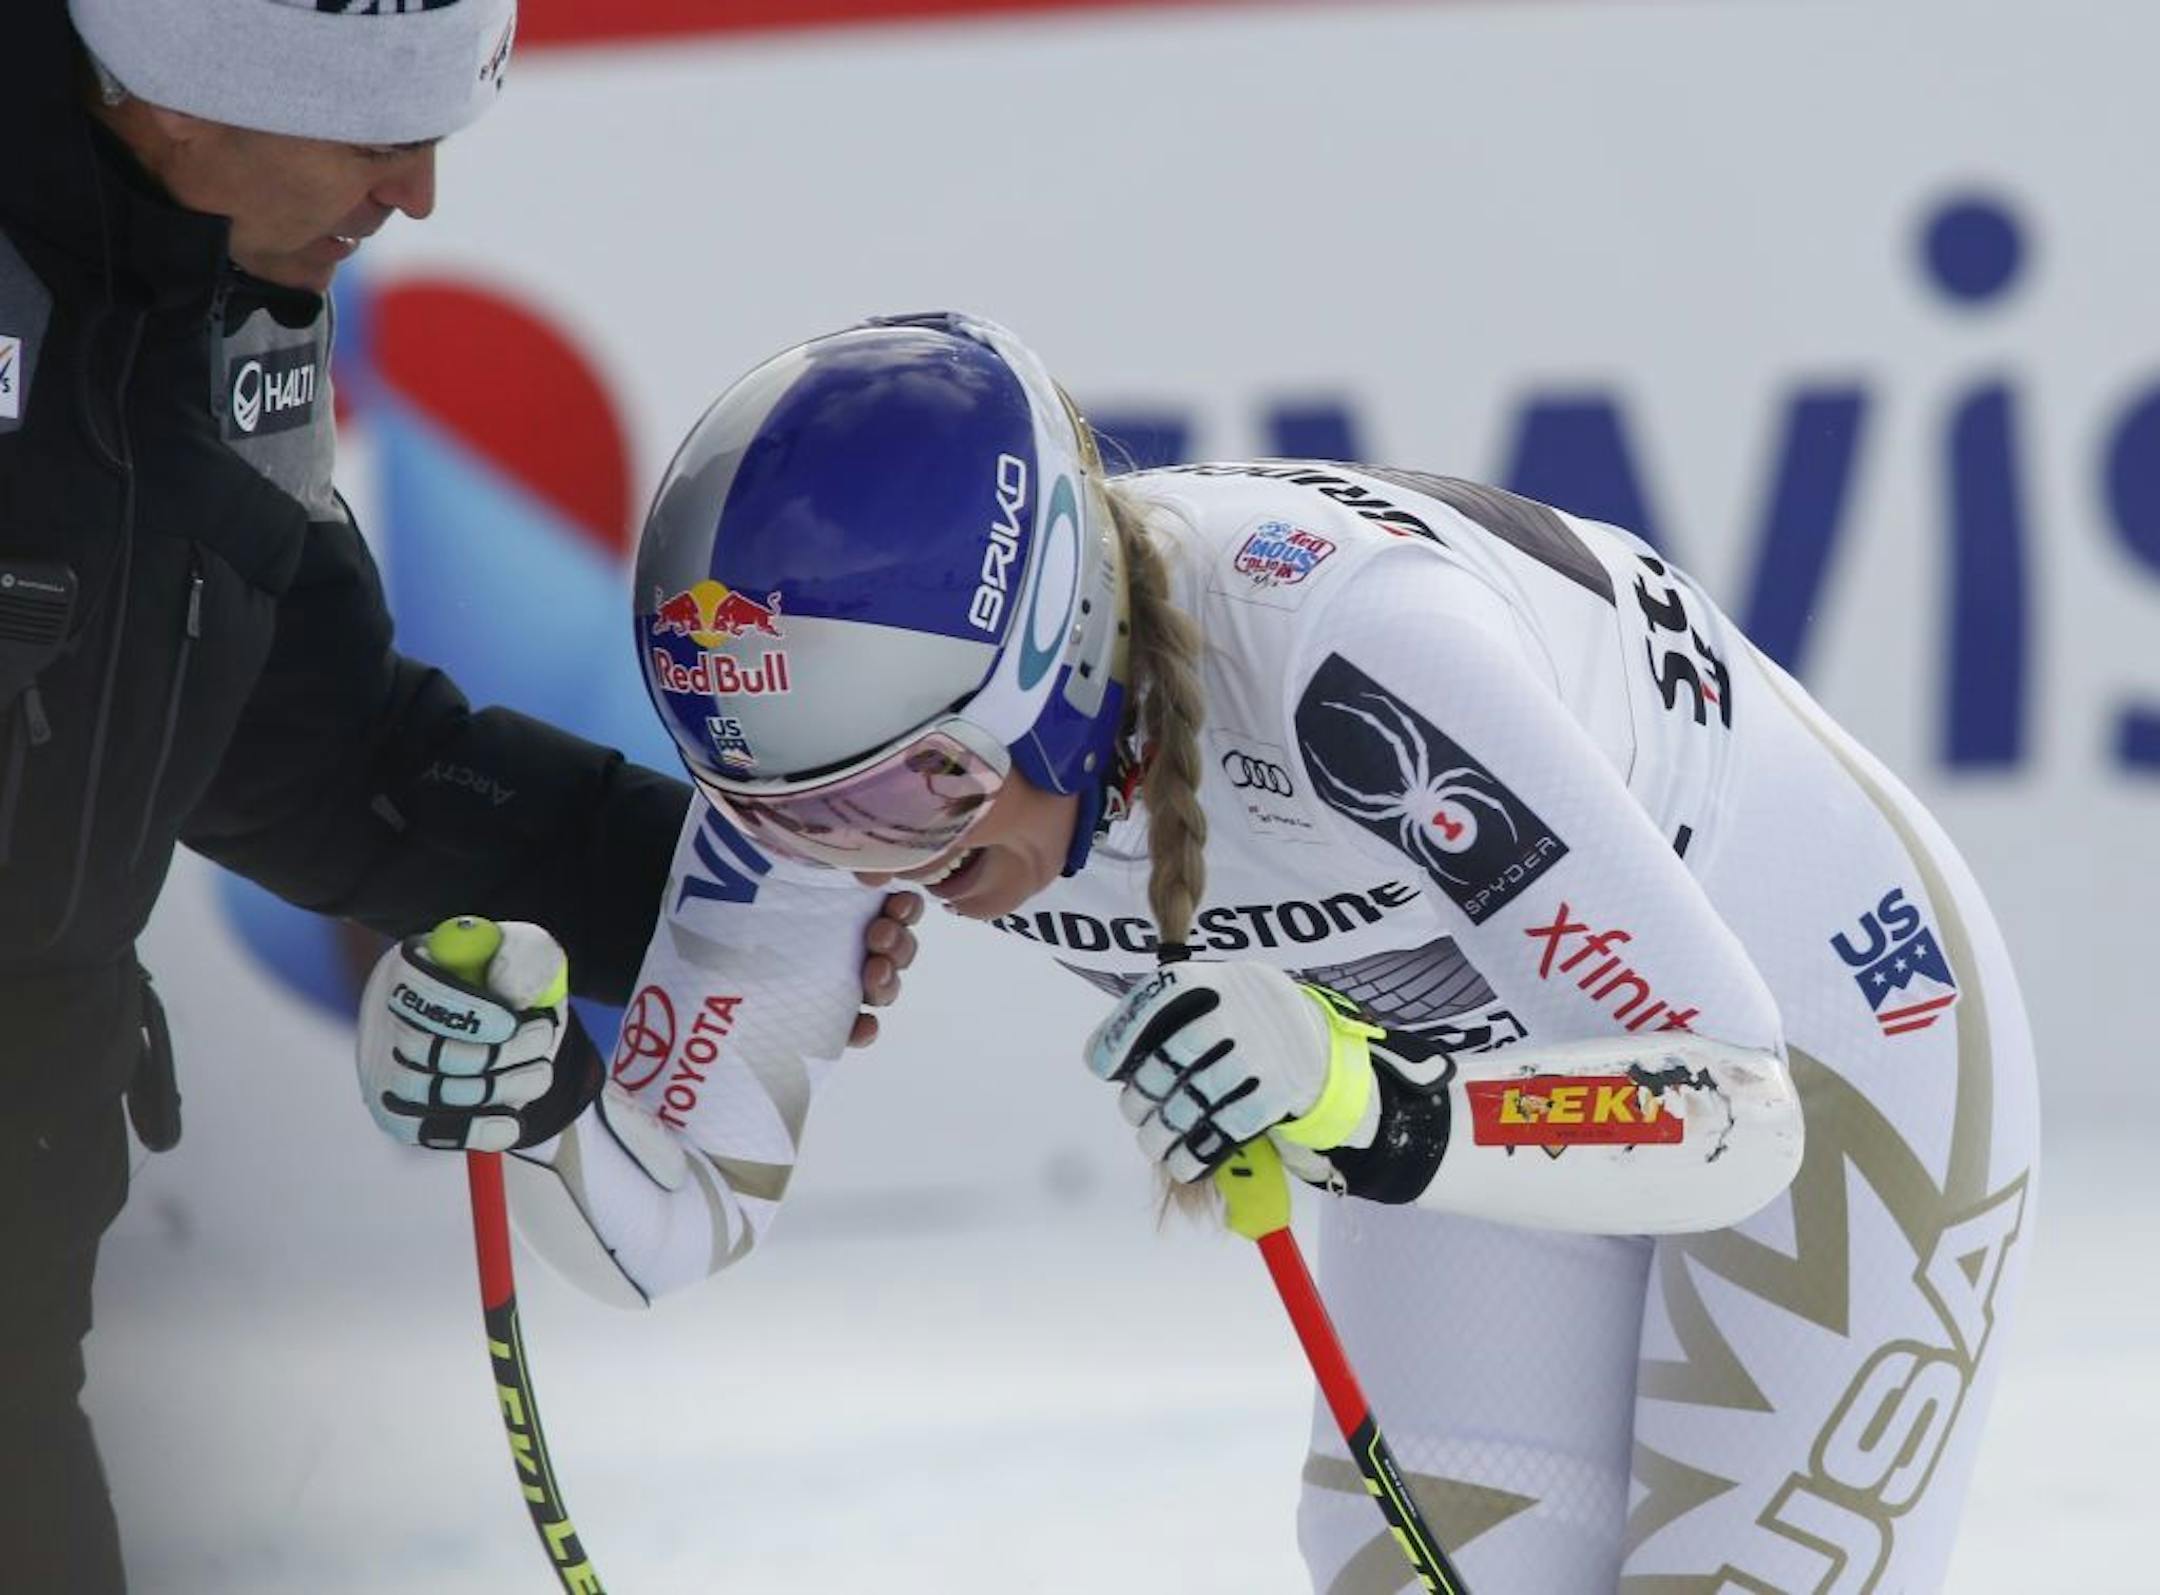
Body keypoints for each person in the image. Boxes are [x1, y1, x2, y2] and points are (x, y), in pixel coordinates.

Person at [361, 314, 2038, 1591]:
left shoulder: (1347, 658)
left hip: (1816, 1024)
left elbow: (1737, 1108)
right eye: (799, 815)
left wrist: (1379, 1111)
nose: (890, 860)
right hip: (1442, 1079)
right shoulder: (836, 760)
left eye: (924, 788)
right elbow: (663, 1212)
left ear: (1063, 654)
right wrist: (532, 1097)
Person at [0, 3, 918, 1587]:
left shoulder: (222, 308)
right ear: (188, 92)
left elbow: (324, 752)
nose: (416, 193)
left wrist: (703, 891)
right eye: (375, 136)